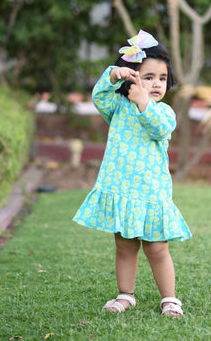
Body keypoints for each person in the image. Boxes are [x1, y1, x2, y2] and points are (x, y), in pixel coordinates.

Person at [73, 30, 192, 317]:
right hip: (122, 191)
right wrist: (113, 74)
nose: (156, 84)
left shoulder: (164, 113)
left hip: (151, 194)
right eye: (148, 77)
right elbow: (99, 96)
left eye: (162, 78)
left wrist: (143, 101)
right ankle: (125, 294)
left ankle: (170, 299)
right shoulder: (118, 107)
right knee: (124, 247)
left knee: (157, 249)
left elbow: (158, 128)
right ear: (132, 77)